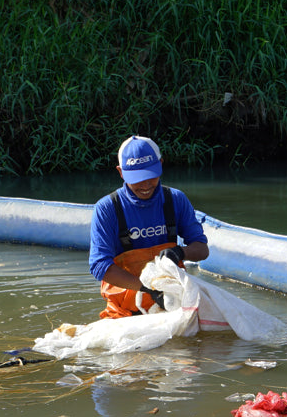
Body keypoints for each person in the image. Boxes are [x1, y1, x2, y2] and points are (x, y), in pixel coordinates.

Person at [88, 135, 209, 318]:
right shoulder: (106, 209)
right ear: (120, 172)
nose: (145, 185)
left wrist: (180, 252)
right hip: (124, 312)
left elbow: (202, 250)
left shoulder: (175, 199)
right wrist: (148, 290)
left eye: (150, 176)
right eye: (137, 178)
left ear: (160, 164)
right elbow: (100, 266)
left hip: (173, 304)